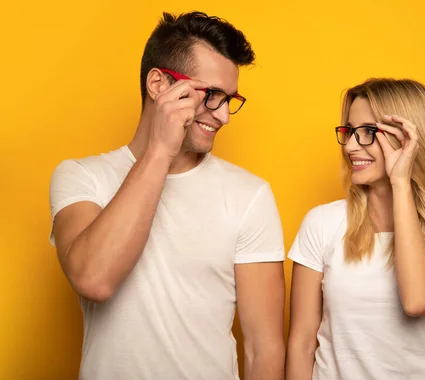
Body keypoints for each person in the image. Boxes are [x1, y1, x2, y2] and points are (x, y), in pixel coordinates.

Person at [48, 11, 285, 380]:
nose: (223, 116)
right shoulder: (81, 177)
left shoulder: (250, 195)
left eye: (229, 99)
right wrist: (160, 150)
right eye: (211, 95)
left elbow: (263, 348)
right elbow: (94, 279)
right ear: (158, 84)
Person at [285, 78, 425, 379]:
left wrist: (400, 182)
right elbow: (301, 341)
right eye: (349, 131)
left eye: (368, 133)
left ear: (408, 139)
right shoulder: (322, 223)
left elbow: (417, 301)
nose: (350, 146)